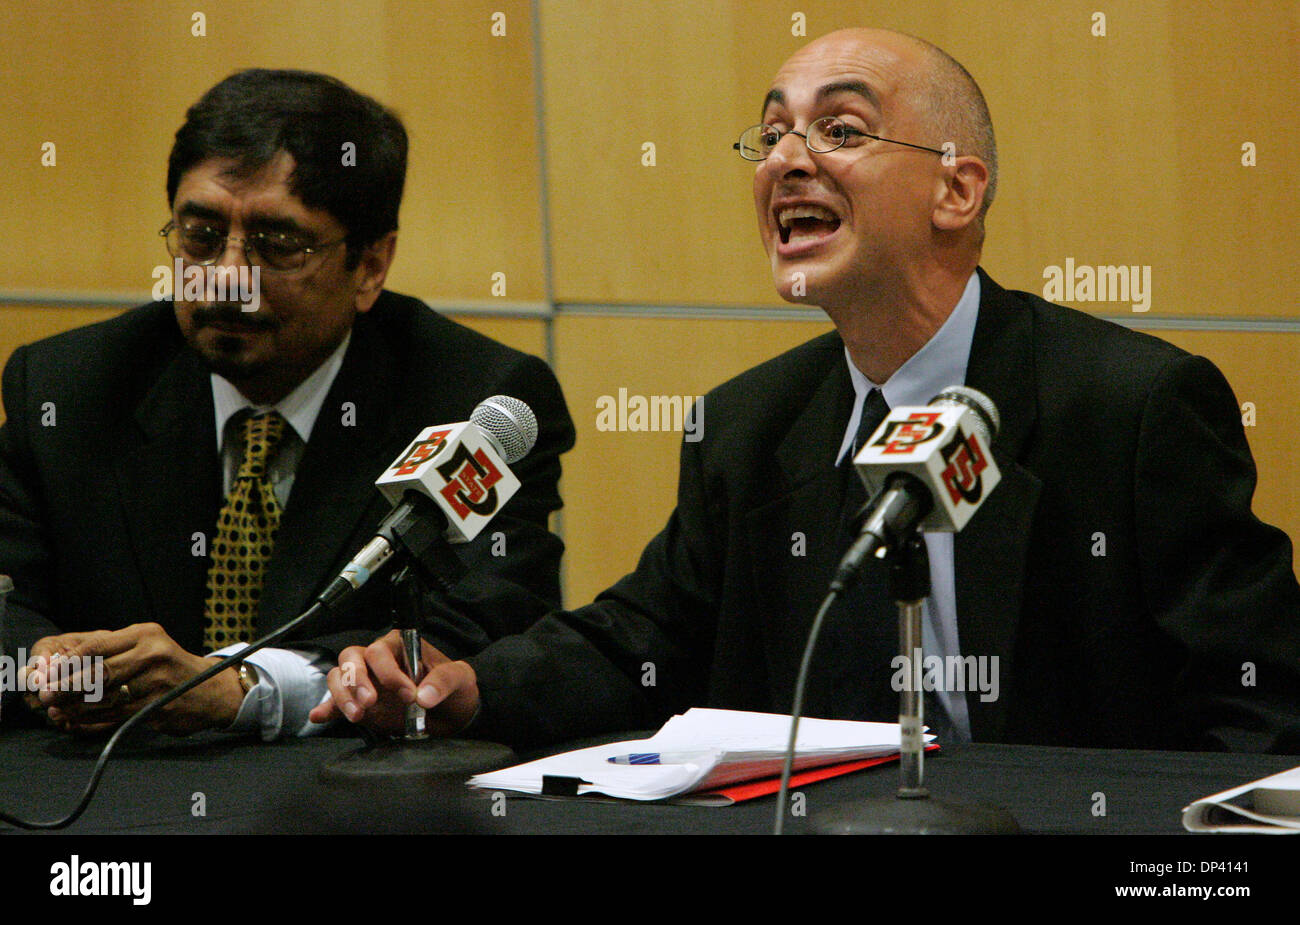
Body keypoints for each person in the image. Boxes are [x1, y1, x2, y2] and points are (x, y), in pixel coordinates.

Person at [313, 29, 1300, 752]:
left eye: (839, 128)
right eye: (772, 136)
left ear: (957, 191)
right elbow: (641, 641)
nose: (787, 160)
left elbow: (1256, 701)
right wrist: (468, 683)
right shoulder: (747, 426)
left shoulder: (1132, 408)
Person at [0, 69, 575, 739]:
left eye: (279, 245)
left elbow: (484, 629)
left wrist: (244, 688)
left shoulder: (476, 400)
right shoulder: (68, 389)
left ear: (370, 266)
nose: (228, 279)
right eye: (201, 235)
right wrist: (43, 662)